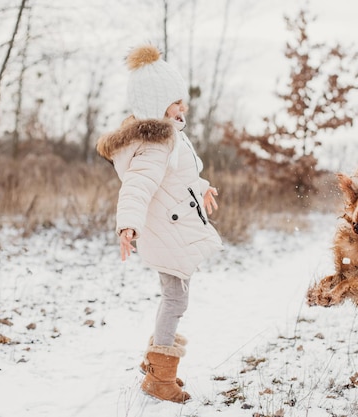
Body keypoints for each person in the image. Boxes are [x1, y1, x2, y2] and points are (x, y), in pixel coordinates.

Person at [96, 44, 223, 403]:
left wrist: (201, 188)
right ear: (155, 103)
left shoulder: (169, 137)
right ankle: (158, 376)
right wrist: (128, 226)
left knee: (175, 296)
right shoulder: (155, 143)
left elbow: (174, 181)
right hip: (164, 230)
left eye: (183, 101)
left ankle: (155, 364)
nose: (183, 108)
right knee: (175, 298)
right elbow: (138, 186)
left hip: (173, 224)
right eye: (175, 102)